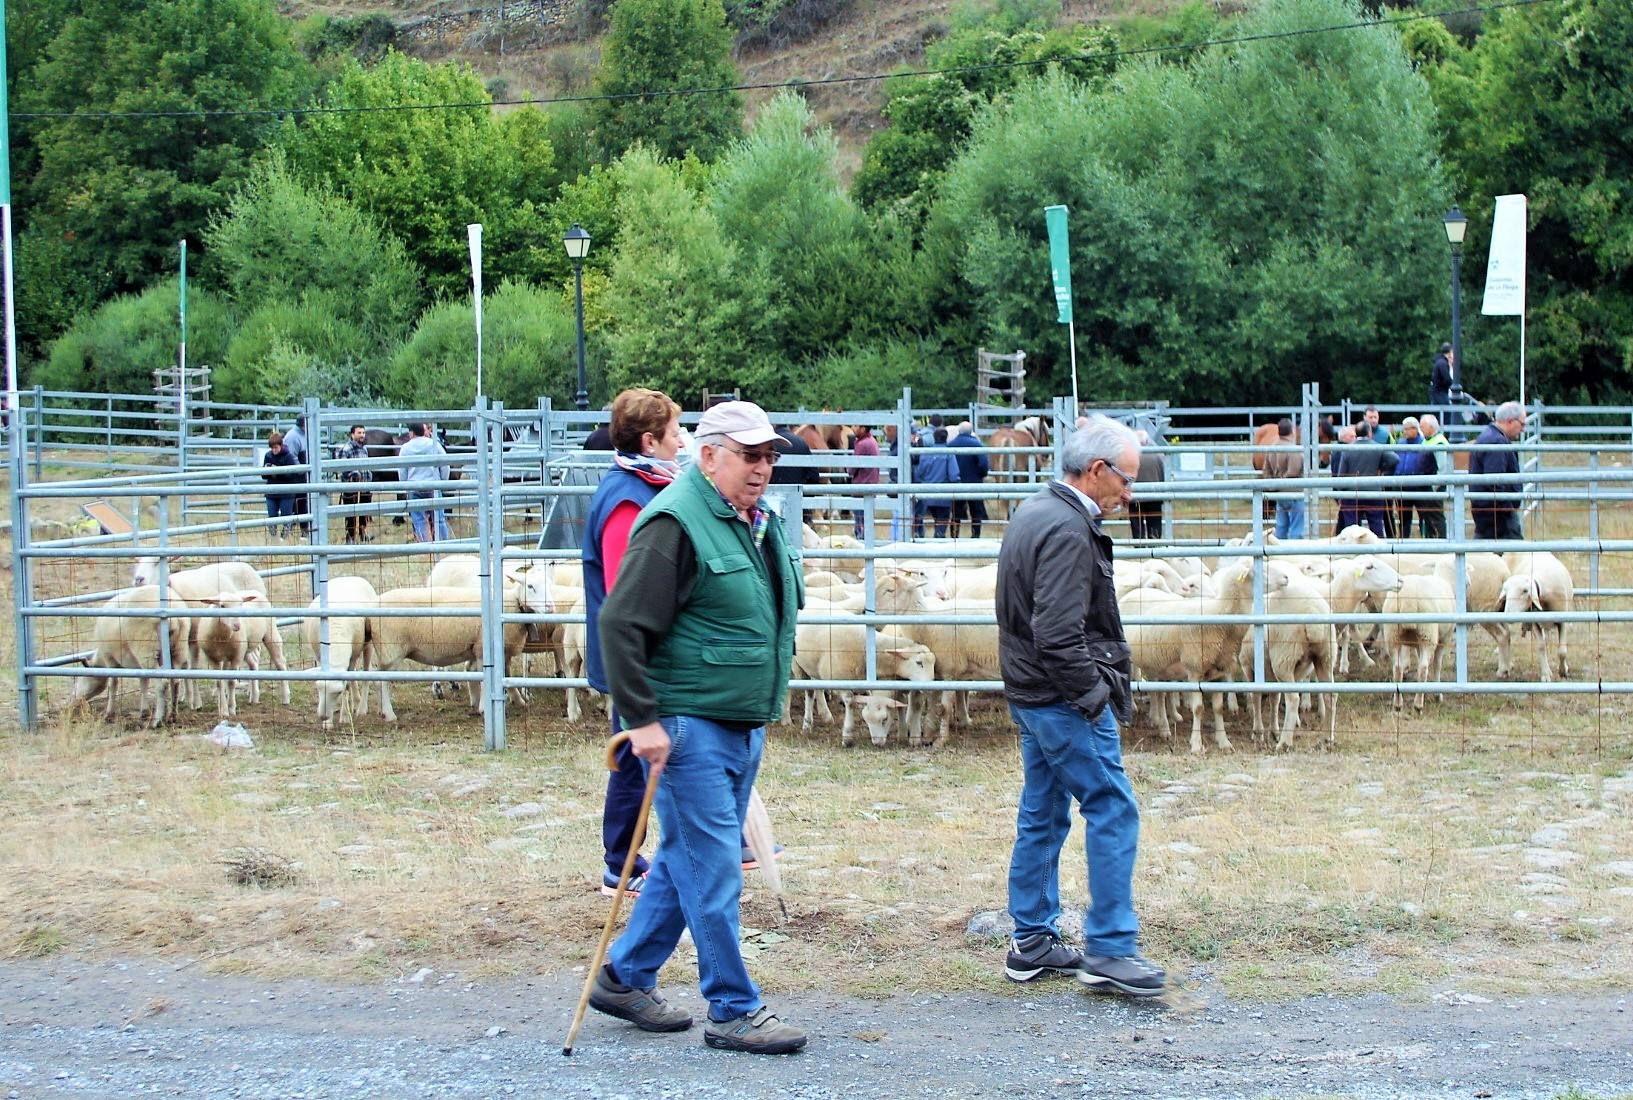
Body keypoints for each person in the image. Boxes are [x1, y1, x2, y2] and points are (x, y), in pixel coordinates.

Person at [590, 400, 808, 1055]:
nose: (763, 468)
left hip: (739, 720)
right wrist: (643, 722)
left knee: (685, 859)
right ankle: (733, 1007)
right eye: (749, 455)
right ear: (708, 454)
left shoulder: (747, 519)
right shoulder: (674, 523)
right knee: (714, 870)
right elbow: (620, 626)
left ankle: (624, 976)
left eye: (769, 455)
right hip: (690, 725)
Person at [994, 415, 1165, 998]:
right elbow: (1058, 633)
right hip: (1062, 699)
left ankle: (1032, 939)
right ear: (1097, 471)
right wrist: (1095, 698)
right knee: (1113, 808)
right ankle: (1112, 948)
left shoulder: (1034, 512)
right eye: (1126, 478)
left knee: (1043, 812)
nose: (1130, 491)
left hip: (1031, 694)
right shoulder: (1069, 530)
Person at [583, 388, 685, 900]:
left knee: (635, 754)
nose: (682, 442)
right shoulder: (627, 498)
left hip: (641, 652)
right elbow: (629, 590)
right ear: (650, 440)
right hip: (635, 655)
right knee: (642, 753)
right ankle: (623, 862)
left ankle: (625, 859)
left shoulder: (643, 486)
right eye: (675, 433)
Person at [1469, 400, 1527, 540]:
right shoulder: (1496, 442)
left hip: (1488, 509)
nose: (1523, 429)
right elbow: (1495, 481)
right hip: (1496, 513)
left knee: (1486, 552)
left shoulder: (1489, 436)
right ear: (1510, 421)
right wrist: (1508, 507)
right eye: (1522, 424)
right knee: (1512, 555)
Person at [398, 422, 451, 542]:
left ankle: (424, 544)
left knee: (418, 519)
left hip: (414, 486)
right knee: (439, 518)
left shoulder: (405, 448)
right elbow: (445, 464)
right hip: (433, 485)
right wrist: (444, 481)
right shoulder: (433, 444)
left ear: (411, 433)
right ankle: (444, 543)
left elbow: (402, 470)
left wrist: (404, 485)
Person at [1260, 417, 1305, 539]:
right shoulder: (1294, 450)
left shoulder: (1272, 448)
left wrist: (1274, 484)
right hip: (1294, 493)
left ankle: (1279, 551)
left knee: (1281, 526)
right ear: (1291, 431)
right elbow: (1293, 472)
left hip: (1279, 494)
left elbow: (1266, 470)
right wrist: (1281, 481)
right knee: (1297, 527)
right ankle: (1295, 552)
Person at [914, 428, 960, 538]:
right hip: (943, 496)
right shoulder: (949, 454)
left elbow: (919, 473)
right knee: (942, 522)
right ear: (946, 438)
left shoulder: (926, 453)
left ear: (934, 438)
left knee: (930, 518)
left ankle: (924, 538)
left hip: (927, 494)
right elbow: (954, 475)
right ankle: (939, 540)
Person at [948, 421, 989, 539]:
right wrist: (981, 475)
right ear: (971, 431)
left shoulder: (951, 445)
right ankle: (975, 535)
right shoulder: (977, 444)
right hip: (974, 483)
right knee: (976, 511)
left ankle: (954, 536)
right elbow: (983, 464)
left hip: (956, 483)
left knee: (956, 511)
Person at [334, 424, 373, 544]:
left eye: (363, 433)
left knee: (364, 510)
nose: (362, 435)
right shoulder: (347, 449)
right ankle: (350, 537)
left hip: (365, 485)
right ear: (352, 434)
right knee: (351, 512)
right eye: (359, 433)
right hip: (351, 486)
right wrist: (354, 473)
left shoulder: (364, 449)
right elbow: (342, 466)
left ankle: (363, 533)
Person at [1390, 417, 1427, 538]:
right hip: (1403, 486)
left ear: (1415, 429)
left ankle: (1426, 540)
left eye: (1407, 429)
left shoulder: (1423, 443)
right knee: (1403, 517)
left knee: (1424, 516)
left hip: (1419, 486)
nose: (1404, 431)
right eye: (1404, 429)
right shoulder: (1401, 443)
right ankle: (1403, 541)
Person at [259, 431, 301, 538]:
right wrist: (269, 470)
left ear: (281, 446)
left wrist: (276, 472)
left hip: (286, 492)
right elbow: (263, 475)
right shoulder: (268, 456)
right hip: (272, 492)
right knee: (272, 517)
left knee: (286, 516)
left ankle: (285, 538)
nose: (274, 450)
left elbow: (293, 474)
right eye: (272, 448)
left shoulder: (288, 457)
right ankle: (273, 538)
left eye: (276, 447)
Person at [1417, 414, 1451, 538]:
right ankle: (1429, 539)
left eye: (1423, 427)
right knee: (1426, 516)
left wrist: (1435, 486)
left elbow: (1443, 468)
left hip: (1433, 486)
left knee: (1436, 515)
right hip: (1425, 485)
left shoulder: (1439, 442)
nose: (1421, 430)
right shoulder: (1427, 440)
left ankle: (1441, 541)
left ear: (1431, 427)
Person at [1128, 429, 1166, 540]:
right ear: (1147, 440)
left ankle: (1139, 546)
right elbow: (1163, 473)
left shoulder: (1129, 456)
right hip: (1154, 494)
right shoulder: (1158, 454)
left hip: (1135, 496)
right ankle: (1154, 542)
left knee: (1136, 523)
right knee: (1154, 521)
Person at [848, 425, 881, 538]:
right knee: (867, 520)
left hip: (861, 486)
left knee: (860, 521)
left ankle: (861, 542)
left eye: (856, 426)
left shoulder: (862, 444)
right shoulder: (872, 441)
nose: (853, 428)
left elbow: (852, 469)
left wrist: (848, 468)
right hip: (870, 484)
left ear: (863, 428)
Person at [284, 415, 311, 536]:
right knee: (294, 503)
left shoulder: (303, 434)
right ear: (304, 425)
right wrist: (301, 469)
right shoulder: (293, 436)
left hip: (302, 473)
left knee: (302, 502)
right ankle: (287, 531)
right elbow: (291, 456)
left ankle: (303, 531)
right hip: (295, 475)